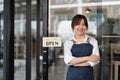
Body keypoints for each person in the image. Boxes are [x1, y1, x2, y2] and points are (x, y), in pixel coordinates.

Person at [63, 14, 100, 80]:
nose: (80, 27)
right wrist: (88, 58)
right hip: (73, 76)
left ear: (86, 27)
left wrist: (76, 63)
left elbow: (95, 60)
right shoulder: (68, 42)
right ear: (73, 26)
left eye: (83, 24)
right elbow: (69, 60)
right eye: (78, 24)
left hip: (88, 75)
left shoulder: (93, 41)